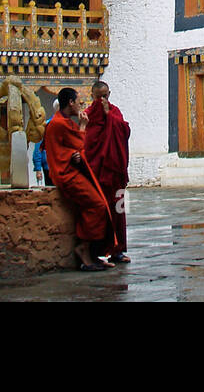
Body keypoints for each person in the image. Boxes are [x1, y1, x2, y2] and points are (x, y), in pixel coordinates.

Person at [44, 87, 118, 271]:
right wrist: (83, 127)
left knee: (100, 204)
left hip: (73, 170)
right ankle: (84, 250)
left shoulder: (65, 122)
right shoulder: (59, 123)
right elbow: (78, 144)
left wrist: (74, 153)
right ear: (70, 102)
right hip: (65, 175)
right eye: (78, 101)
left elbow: (71, 148)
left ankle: (93, 252)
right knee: (97, 205)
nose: (81, 105)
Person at [83, 80, 131, 264]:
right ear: (92, 95)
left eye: (105, 96)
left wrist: (108, 116)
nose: (102, 99)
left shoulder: (115, 112)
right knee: (100, 213)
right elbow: (88, 142)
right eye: (98, 96)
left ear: (109, 94)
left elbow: (125, 131)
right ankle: (97, 251)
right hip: (98, 173)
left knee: (118, 211)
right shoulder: (88, 115)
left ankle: (118, 251)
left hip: (115, 173)